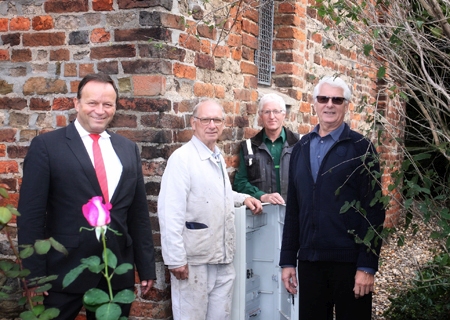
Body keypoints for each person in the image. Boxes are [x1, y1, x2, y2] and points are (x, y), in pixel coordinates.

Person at [17, 73, 156, 319]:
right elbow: (31, 216)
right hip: (60, 274)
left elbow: (138, 214)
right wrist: (34, 277)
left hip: (114, 273)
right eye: (92, 103)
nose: (100, 110)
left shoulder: (127, 148)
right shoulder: (47, 147)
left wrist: (146, 267)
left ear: (115, 106)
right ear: (77, 103)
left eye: (107, 104)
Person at [279, 76, 385, 320]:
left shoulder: (361, 148)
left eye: (337, 99)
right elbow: (294, 209)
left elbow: (375, 210)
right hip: (310, 261)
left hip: (349, 263)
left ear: (346, 105)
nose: (329, 104)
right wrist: (287, 261)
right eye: (323, 98)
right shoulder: (301, 148)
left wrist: (367, 266)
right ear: (314, 104)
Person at [157, 99, 263, 320]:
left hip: (222, 257)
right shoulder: (183, 159)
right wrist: (175, 258)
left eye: (217, 120)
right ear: (194, 123)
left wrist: (243, 198)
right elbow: (170, 210)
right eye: (206, 119)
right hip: (195, 260)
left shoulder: (216, 156)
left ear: (223, 125)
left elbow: (216, 195)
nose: (212, 125)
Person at [233, 93, 299, 204]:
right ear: (260, 115)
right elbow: (240, 182)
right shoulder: (249, 146)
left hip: (295, 213)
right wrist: (261, 196)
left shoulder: (299, 143)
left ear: (284, 114)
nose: (272, 116)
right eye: (267, 112)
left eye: (276, 111)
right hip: (262, 213)